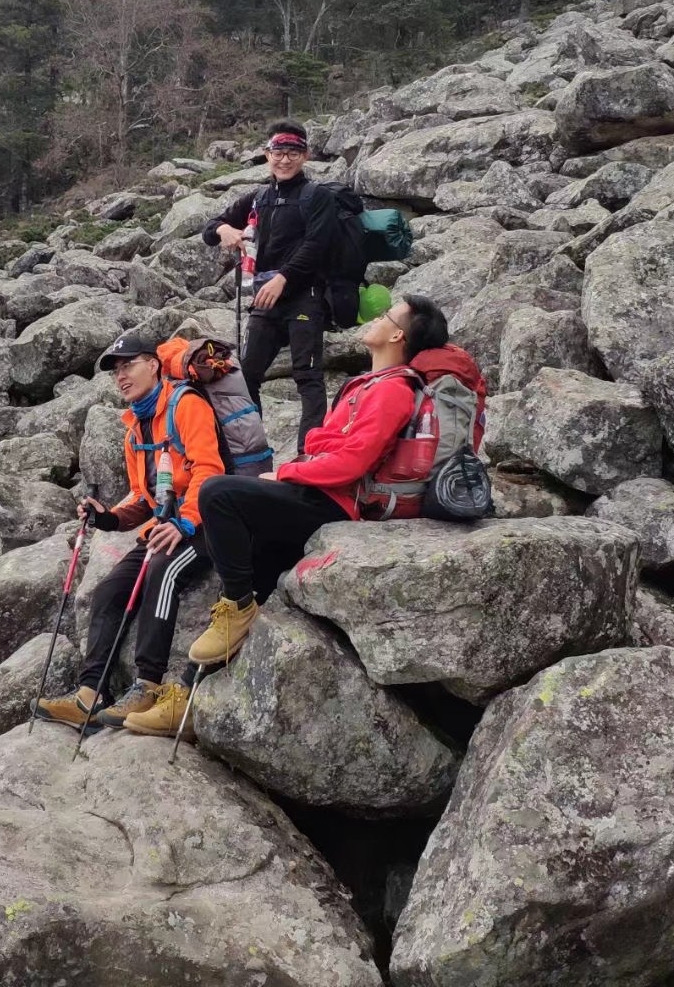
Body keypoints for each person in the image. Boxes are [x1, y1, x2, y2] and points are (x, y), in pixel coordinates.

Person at [122, 295, 455, 738]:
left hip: (336, 504)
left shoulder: (393, 388)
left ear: (397, 335)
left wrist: (288, 470)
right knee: (256, 565)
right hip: (320, 495)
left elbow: (352, 462)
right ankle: (187, 698)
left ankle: (235, 606)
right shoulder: (368, 382)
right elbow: (329, 442)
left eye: (384, 315)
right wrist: (315, 450)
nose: (374, 318)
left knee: (220, 495)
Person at [33, 331, 225, 733]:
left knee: (163, 572)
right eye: (116, 370)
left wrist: (184, 522)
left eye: (129, 366)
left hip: (208, 520)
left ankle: (148, 685)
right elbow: (143, 497)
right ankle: (89, 695)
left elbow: (209, 470)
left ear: (154, 364)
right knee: (108, 591)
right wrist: (108, 517)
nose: (121, 376)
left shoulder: (186, 405)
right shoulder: (136, 429)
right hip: (166, 523)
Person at [201, 120, 335, 451]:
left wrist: (283, 277)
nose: (285, 160)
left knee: (308, 377)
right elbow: (209, 228)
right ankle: (253, 453)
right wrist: (225, 231)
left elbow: (318, 246)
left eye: (293, 152)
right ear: (266, 154)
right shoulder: (259, 197)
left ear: (305, 156)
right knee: (247, 377)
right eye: (278, 152)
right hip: (265, 297)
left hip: (306, 295)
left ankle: (309, 456)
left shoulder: (318, 196)